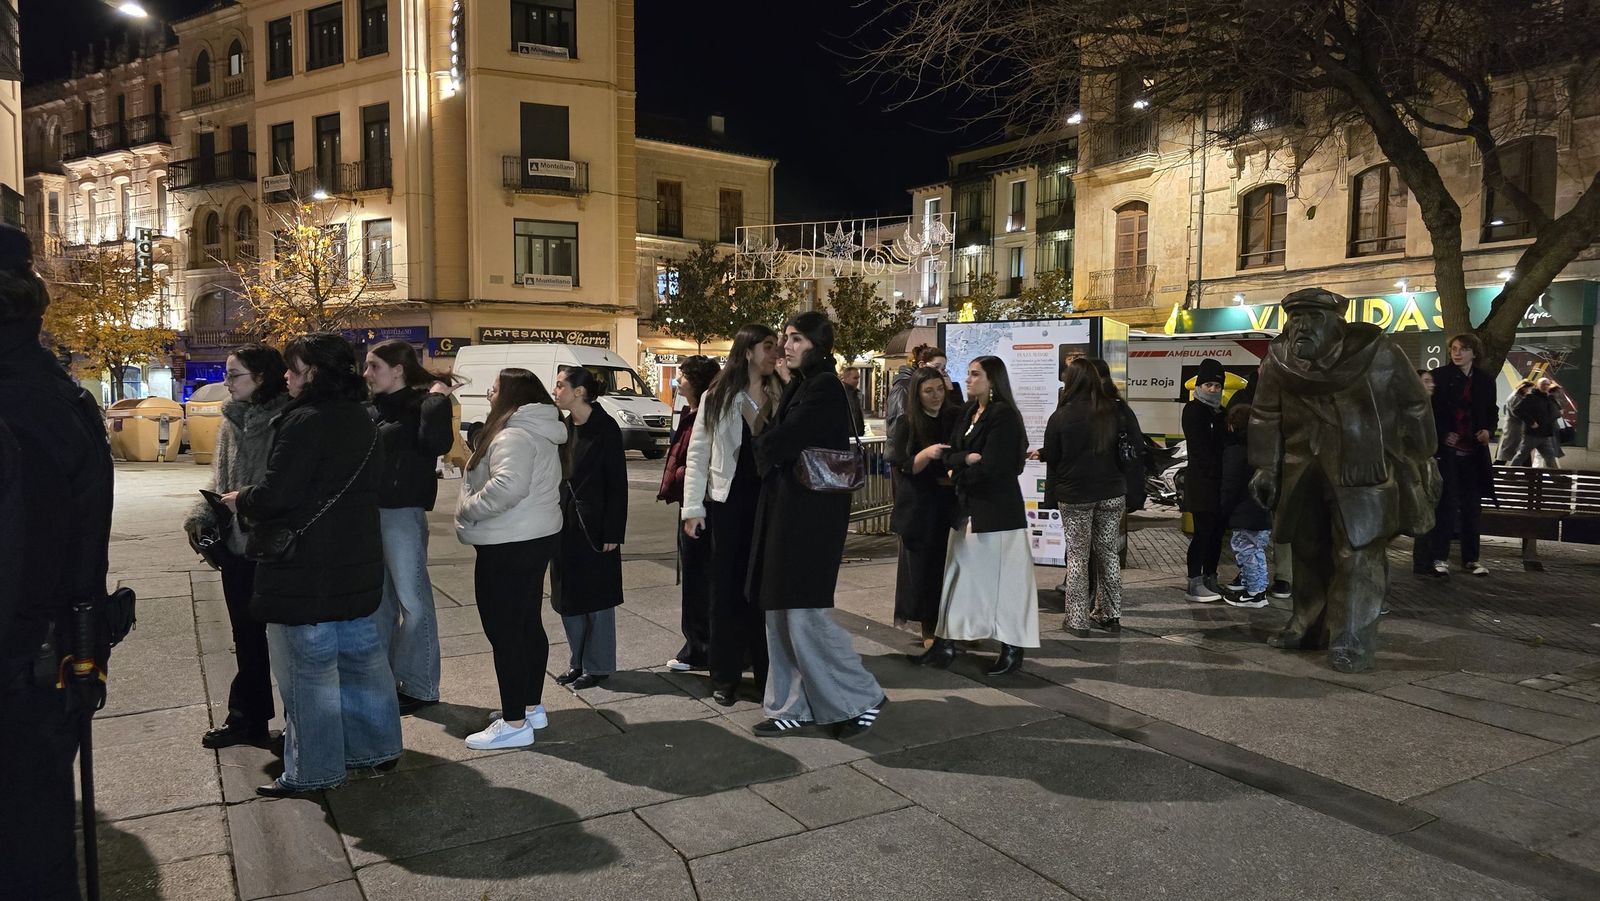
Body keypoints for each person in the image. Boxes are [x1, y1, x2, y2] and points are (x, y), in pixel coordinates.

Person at [223, 333, 400, 797]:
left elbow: (277, 494)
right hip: (356, 560)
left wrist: (243, 499)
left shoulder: (303, 421)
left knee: (309, 671)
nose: (286, 375)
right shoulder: (363, 418)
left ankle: (314, 769)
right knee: (363, 661)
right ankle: (373, 749)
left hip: (306, 568)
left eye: (294, 368)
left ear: (314, 373)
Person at [0, 226, 114, 899]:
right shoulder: (60, 396)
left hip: (24, 666)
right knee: (37, 846)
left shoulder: (25, 403)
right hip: (53, 663)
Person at [1249, 288, 1437, 673]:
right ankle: (1307, 625)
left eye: (1313, 318)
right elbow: (1265, 414)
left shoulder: (1379, 353)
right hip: (1302, 467)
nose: (1302, 327)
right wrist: (1265, 466)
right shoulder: (1279, 360)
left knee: (1358, 552)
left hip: (1362, 468)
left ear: (1337, 324)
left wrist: (1420, 454)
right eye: (1296, 319)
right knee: (1306, 548)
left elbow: (1415, 404)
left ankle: (1352, 639)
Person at [747, 312, 885, 738]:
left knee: (806, 617)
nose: (786, 346)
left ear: (817, 345)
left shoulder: (823, 386)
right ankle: (790, 706)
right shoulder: (804, 384)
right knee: (781, 615)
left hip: (810, 520)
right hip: (790, 515)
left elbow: (783, 440)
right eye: (786, 337)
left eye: (796, 339)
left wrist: (760, 443)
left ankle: (860, 696)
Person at [183, 344, 290, 750]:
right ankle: (248, 717)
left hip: (276, 547)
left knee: (285, 639)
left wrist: (246, 501)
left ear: (261, 377)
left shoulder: (287, 418)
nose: (226, 382)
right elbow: (219, 479)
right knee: (245, 634)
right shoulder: (231, 420)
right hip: (237, 545)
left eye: (234, 375)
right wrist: (201, 516)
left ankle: (298, 723)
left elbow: (286, 486)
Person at [454, 369, 567, 750]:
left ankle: (514, 722)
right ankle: (530, 707)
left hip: (508, 541)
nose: (489, 393)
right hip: (533, 537)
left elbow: (507, 487)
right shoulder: (539, 428)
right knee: (526, 624)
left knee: (505, 632)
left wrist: (468, 508)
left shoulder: (514, 434)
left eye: (495, 388)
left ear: (511, 395)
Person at [914, 355, 1039, 674]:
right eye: (969, 374)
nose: (967, 379)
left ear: (992, 380)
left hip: (997, 513)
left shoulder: (1004, 415)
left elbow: (996, 466)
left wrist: (958, 471)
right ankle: (945, 643)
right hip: (967, 509)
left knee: (1005, 583)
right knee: (958, 575)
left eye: (975, 374)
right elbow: (950, 453)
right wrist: (964, 460)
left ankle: (1011, 648)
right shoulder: (969, 411)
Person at [682, 325, 783, 706]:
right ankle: (724, 677)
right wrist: (693, 509)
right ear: (747, 351)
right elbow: (698, 455)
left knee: (764, 591)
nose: (775, 353)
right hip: (727, 502)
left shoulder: (781, 392)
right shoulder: (718, 396)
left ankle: (768, 674)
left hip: (770, 502)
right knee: (725, 590)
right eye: (768, 347)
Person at [363, 338, 458, 715]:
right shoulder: (374, 408)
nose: (367, 373)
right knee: (380, 604)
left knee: (413, 602)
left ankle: (420, 685)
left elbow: (437, 443)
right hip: (371, 512)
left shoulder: (421, 406)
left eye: (374, 366)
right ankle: (384, 680)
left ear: (398, 370)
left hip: (402, 512)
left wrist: (437, 399)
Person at [551, 366, 628, 690]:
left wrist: (613, 531)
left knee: (597, 599)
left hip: (594, 525)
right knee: (567, 597)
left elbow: (617, 484)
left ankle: (598, 666)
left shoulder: (605, 428)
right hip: (563, 523)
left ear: (579, 392)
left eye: (560, 385)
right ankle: (577, 661)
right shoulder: (563, 428)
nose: (555, 391)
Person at [1041, 358, 1125, 637]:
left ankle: (1077, 621)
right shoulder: (1112, 411)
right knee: (1108, 552)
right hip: (1111, 493)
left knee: (1078, 555)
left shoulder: (1061, 416)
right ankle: (1110, 615)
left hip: (1076, 495)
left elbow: (1053, 458)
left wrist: (1050, 495)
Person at [888, 366, 960, 643]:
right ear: (916, 393)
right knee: (923, 570)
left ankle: (953, 625)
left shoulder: (954, 417)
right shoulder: (907, 422)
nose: (936, 395)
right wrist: (926, 454)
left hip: (949, 502)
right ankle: (929, 627)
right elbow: (903, 465)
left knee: (950, 566)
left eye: (939, 389)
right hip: (920, 505)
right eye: (928, 391)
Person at [660, 355, 720, 673]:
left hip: (699, 505)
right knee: (698, 578)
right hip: (693, 502)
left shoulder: (702, 414)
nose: (677, 381)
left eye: (682, 376)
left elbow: (698, 460)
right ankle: (699, 645)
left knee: (699, 579)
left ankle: (699, 648)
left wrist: (681, 475)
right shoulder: (691, 412)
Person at [1428, 334, 1498, 577]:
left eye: (1463, 349)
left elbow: (1491, 410)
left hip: (1473, 453)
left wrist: (1487, 430)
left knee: (1471, 507)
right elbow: (1430, 412)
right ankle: (1439, 557)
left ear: (1474, 353)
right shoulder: (1440, 376)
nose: (1457, 353)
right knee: (1446, 505)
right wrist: (1442, 435)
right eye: (1454, 349)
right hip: (1447, 453)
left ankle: (1471, 558)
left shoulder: (1484, 380)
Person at [1182, 358, 1228, 602]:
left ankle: (1211, 577)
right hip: (1202, 484)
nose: (1212, 389)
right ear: (1199, 386)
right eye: (1208, 384)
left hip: (1220, 485)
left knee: (1216, 534)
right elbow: (1201, 448)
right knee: (1202, 533)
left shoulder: (1220, 412)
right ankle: (1194, 581)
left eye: (1217, 386)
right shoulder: (1194, 410)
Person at [1220, 403, 1272, 608]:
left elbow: (1230, 485)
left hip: (1244, 512)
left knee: (1247, 550)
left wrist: (1224, 509)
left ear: (1232, 426)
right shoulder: (1263, 451)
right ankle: (1256, 588)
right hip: (1261, 511)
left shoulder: (1236, 452)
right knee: (1256, 551)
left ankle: (1255, 593)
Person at [1411, 369, 1440, 576]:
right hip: (1417, 468)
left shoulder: (1430, 406)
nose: (1432, 384)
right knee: (1424, 515)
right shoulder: (1415, 408)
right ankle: (1421, 563)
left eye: (1432, 381)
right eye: (1426, 381)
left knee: (1429, 515)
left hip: (1427, 466)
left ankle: (1424, 561)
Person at [1511, 377, 1565, 468]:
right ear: (1538, 386)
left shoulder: (1548, 398)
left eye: (1547, 384)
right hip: (1532, 434)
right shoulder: (1531, 397)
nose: (1546, 386)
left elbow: (1555, 412)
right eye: (1543, 384)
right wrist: (1531, 422)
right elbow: (1517, 410)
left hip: (1545, 434)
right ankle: (1509, 474)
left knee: (1550, 457)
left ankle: (1556, 476)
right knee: (1521, 455)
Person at [1496, 381, 1534, 465]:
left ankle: (1528, 470)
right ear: (1523, 388)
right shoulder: (1515, 397)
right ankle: (1494, 470)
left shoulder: (1519, 397)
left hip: (1517, 429)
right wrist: (1530, 419)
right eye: (1529, 388)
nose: (1530, 390)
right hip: (1514, 429)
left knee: (1520, 452)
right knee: (1509, 451)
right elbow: (1517, 412)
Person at [839, 365, 867, 437]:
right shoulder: (841, 393)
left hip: (856, 435)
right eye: (855, 378)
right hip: (848, 435)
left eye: (858, 378)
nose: (857, 381)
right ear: (846, 378)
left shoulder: (855, 393)